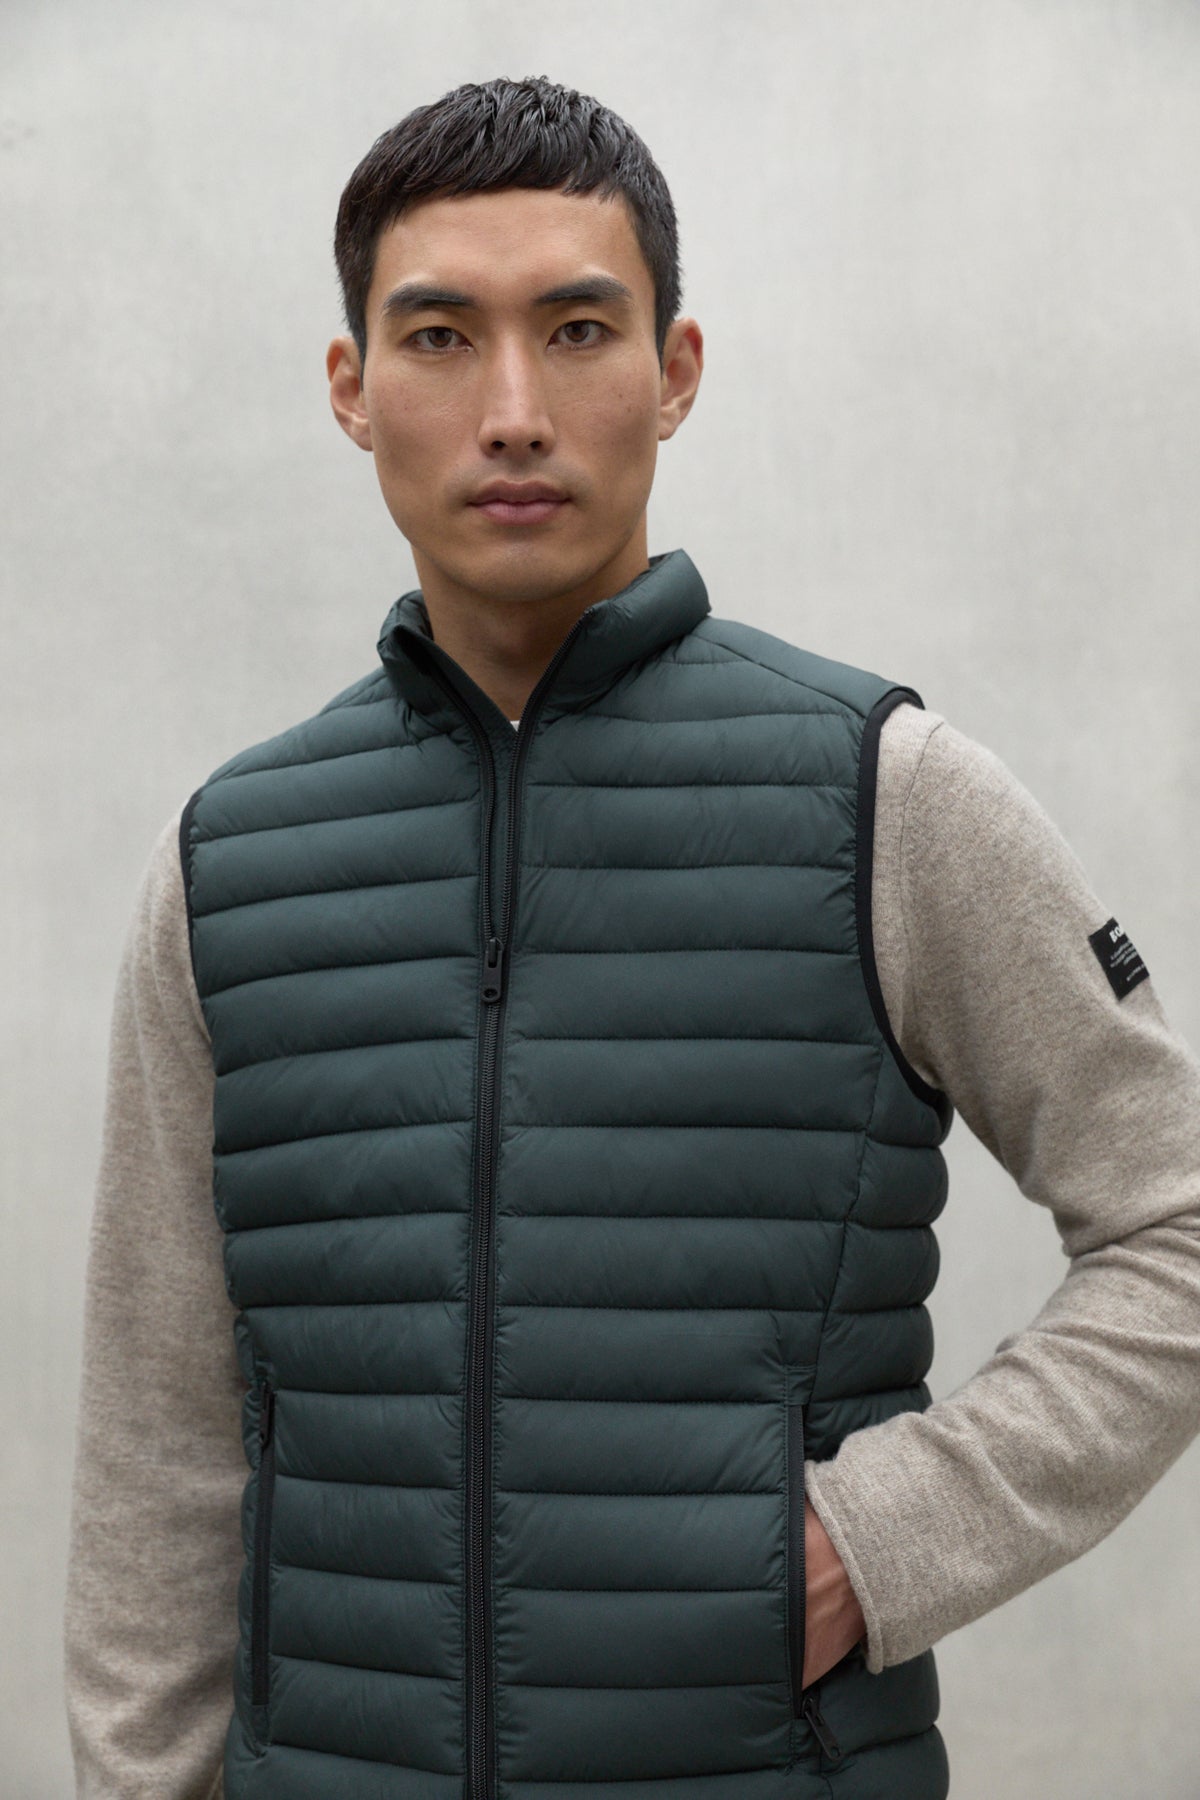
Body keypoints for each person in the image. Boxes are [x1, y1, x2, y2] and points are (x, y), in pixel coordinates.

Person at [63, 74, 1200, 1800]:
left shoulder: (886, 800)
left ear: (674, 370)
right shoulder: (232, 863)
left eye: (578, 329)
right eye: (440, 337)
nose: (514, 411)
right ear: (352, 389)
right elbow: (160, 1443)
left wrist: (872, 1543)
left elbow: (1176, 1223)